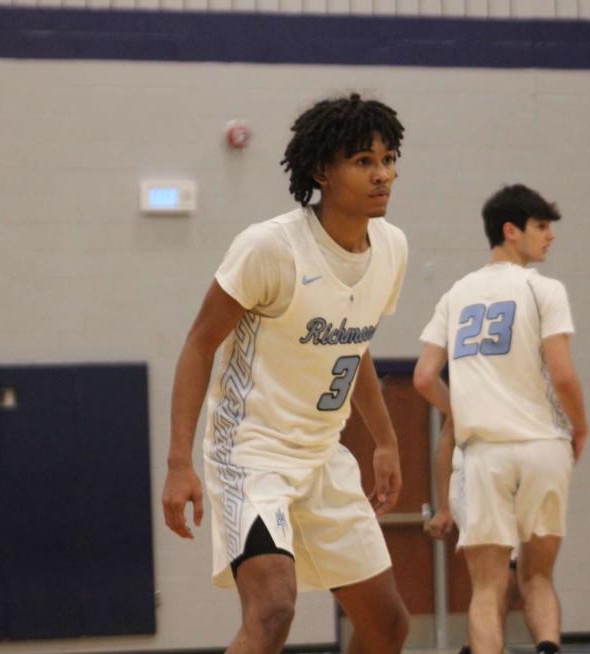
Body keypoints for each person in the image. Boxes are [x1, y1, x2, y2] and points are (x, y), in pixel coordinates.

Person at [160, 93, 411, 653]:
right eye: (364, 161)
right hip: (251, 454)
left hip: (323, 457)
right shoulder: (270, 248)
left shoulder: (391, 249)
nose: (382, 175)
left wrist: (386, 440)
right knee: (273, 611)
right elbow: (199, 345)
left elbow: (356, 343)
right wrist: (179, 462)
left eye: (389, 159)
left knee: (389, 625)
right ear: (323, 169)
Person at [413, 183, 588, 654]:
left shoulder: (456, 294)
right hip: (543, 447)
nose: (550, 237)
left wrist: (463, 408)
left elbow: (425, 377)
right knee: (538, 576)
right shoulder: (543, 290)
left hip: (484, 454)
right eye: (542, 227)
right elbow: (564, 374)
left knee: (487, 590)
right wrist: (582, 425)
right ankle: (548, 646)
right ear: (511, 231)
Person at [426, 416, 522, 654]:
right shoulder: (472, 383)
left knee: (511, 579)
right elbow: (446, 438)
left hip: (507, 482)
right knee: (493, 582)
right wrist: (443, 508)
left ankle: (473, 647)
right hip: (474, 481)